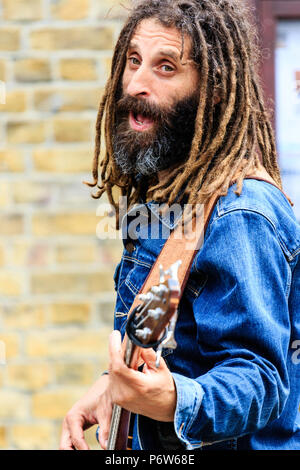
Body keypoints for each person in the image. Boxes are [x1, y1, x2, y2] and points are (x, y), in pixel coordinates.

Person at [59, 0, 300, 451]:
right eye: (134, 61)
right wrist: (113, 386)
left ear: (211, 91)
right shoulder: (168, 200)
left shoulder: (241, 214)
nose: (136, 84)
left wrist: (172, 399)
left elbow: (262, 379)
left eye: (165, 67)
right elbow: (174, 348)